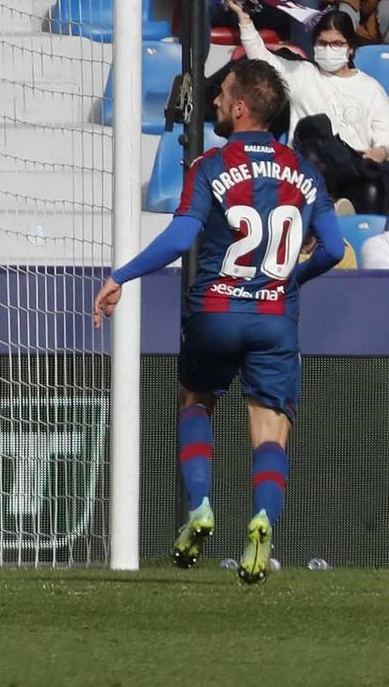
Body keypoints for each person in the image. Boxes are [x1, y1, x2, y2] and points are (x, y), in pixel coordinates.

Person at [92, 58, 343, 585]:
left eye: (223, 94)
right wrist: (292, 279)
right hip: (275, 317)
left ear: (241, 106)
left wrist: (123, 274)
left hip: (215, 311)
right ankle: (262, 519)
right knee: (270, 432)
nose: (215, 101)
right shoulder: (305, 171)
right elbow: (336, 249)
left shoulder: (210, 163)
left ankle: (201, 508)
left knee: (196, 401)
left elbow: (182, 238)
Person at [229, 0, 389, 213]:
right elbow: (260, 57)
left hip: (357, 169)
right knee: (314, 129)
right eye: (322, 43)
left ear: (350, 48)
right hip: (310, 170)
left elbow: (385, 134)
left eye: (337, 44)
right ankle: (329, 207)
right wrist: (244, 19)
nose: (328, 48)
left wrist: (379, 151)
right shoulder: (302, 74)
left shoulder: (371, 88)